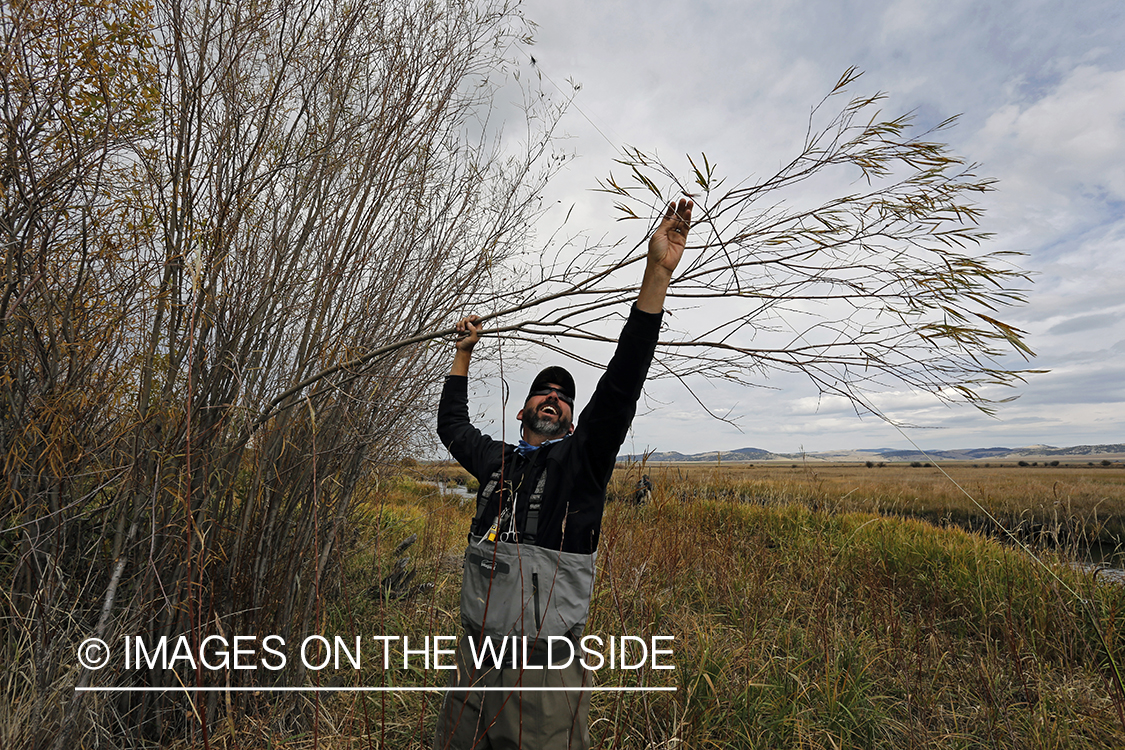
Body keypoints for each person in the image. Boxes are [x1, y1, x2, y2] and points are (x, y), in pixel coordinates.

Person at [434, 198, 693, 749]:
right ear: (522, 411)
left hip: (544, 678)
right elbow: (452, 425)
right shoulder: (496, 460)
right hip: (472, 664)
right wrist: (463, 353)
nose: (553, 397)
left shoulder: (583, 463)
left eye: (564, 396)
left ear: (572, 420)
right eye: (543, 391)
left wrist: (656, 274)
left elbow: (622, 383)